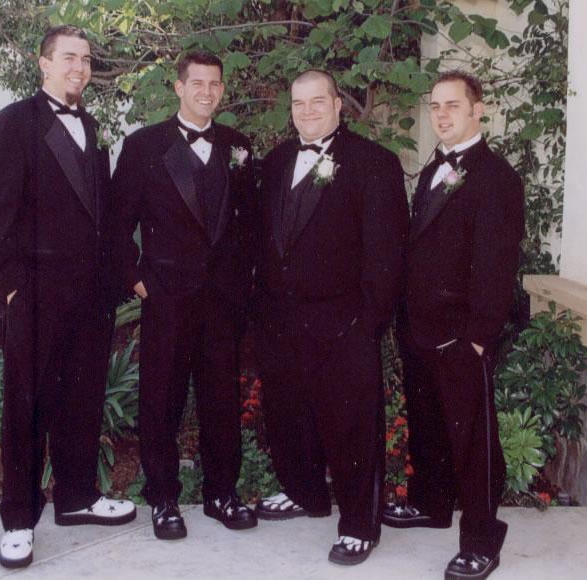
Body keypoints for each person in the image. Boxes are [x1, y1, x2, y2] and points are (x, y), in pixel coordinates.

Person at [0, 25, 136, 569]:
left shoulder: (91, 127)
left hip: (90, 297)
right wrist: (11, 288)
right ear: (42, 63)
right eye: (69, 57)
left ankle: (77, 496)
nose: (79, 68)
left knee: (82, 399)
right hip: (36, 296)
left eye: (85, 59)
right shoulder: (12, 123)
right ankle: (19, 518)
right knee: (27, 407)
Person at [254, 69, 409, 565]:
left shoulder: (373, 163)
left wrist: (367, 324)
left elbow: (386, 255)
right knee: (289, 414)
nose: (307, 112)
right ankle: (305, 493)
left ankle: (360, 524)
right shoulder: (276, 161)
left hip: (344, 323)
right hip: (283, 320)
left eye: (317, 101)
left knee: (351, 426)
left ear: (338, 104)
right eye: (298, 103)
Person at [382, 70, 525, 580]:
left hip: (463, 336)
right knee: (429, 426)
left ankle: (482, 539)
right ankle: (432, 503)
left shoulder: (496, 177)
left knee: (473, 441)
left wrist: (479, 338)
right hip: (422, 329)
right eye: (436, 106)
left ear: (477, 110)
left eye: (453, 106)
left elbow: (497, 267)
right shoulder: (432, 171)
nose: (441, 115)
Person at [111, 50, 258, 540]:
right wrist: (138, 280)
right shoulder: (144, 146)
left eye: (215, 84)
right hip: (167, 299)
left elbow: (249, 225)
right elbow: (116, 225)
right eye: (198, 83)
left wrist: (242, 284)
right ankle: (163, 497)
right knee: (162, 402)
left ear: (222, 89)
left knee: (222, 400)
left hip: (221, 303)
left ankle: (222, 493)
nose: (207, 92)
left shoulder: (237, 146)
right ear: (179, 87)